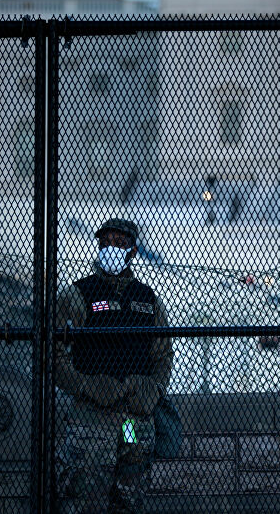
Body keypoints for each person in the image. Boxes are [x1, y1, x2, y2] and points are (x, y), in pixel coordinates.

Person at [55, 218, 173, 514]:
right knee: (84, 498)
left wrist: (154, 390)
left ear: (133, 250)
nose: (112, 248)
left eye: (119, 243)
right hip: (92, 420)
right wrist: (85, 384)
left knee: (129, 495)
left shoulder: (149, 300)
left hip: (133, 421)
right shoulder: (77, 295)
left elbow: (163, 354)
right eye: (106, 242)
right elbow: (53, 354)